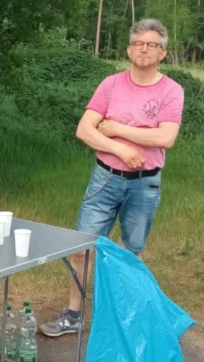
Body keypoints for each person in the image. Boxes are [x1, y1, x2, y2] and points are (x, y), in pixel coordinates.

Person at [40, 18, 183, 338]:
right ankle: (73, 316)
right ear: (129, 49)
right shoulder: (111, 84)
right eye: (138, 43)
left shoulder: (172, 91)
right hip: (105, 179)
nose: (144, 49)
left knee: (131, 252)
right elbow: (84, 129)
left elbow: (166, 138)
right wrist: (119, 150)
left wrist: (117, 128)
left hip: (145, 183)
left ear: (163, 53)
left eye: (152, 45)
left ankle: (127, 320)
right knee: (81, 248)